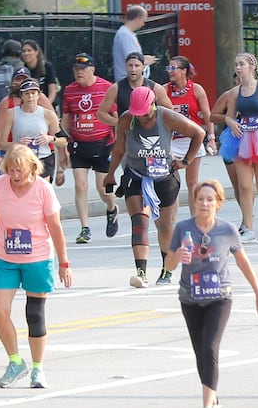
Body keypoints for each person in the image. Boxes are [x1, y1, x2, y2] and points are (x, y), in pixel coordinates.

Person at [165, 180, 258, 408]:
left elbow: (243, 262)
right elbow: (168, 265)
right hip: (190, 298)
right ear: (194, 202)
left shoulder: (227, 230)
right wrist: (178, 255)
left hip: (219, 297)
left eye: (210, 200)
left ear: (218, 204)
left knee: (211, 347)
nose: (204, 203)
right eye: (200, 199)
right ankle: (215, 399)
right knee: (201, 352)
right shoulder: (183, 229)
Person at [0, 145, 70, 390]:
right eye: (11, 170)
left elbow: (55, 227)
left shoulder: (43, 189)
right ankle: (14, 361)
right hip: (6, 258)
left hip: (37, 257)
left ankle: (38, 368)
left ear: (32, 168)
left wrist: (64, 263)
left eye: (19, 170)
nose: (15, 175)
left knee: (34, 315)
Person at [106, 85, 207, 287]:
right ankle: (141, 272)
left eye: (145, 113)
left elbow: (198, 133)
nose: (142, 118)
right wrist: (110, 174)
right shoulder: (126, 120)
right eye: (138, 114)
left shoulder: (167, 117)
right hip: (136, 175)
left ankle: (166, 269)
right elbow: (118, 150)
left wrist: (186, 161)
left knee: (164, 224)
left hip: (164, 177)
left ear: (153, 104)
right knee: (139, 221)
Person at [207, 53, 258, 241]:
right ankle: (248, 228)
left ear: (252, 66)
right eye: (236, 65)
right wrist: (230, 121)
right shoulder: (235, 93)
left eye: (241, 64)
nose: (238, 68)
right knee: (244, 186)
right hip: (242, 138)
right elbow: (231, 116)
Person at [59, 53, 118, 244]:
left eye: (83, 69)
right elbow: (66, 119)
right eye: (76, 69)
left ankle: (111, 208)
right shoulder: (69, 91)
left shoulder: (106, 87)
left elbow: (115, 115)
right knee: (80, 184)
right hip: (79, 144)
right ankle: (85, 228)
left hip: (103, 144)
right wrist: (64, 145)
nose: (79, 73)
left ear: (92, 69)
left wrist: (118, 144)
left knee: (104, 189)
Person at [163, 56, 215, 221]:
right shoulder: (164, 90)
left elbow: (207, 115)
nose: (170, 72)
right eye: (168, 68)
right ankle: (173, 220)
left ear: (184, 71)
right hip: (172, 141)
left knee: (192, 182)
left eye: (173, 68)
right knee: (171, 183)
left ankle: (195, 220)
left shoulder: (196, 89)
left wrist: (211, 138)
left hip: (193, 140)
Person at [112, 5, 158, 82]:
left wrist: (144, 58)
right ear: (138, 18)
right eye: (143, 21)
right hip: (129, 82)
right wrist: (146, 61)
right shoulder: (125, 35)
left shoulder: (127, 34)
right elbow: (132, 60)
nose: (143, 24)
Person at [18, 41, 60, 110]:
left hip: (47, 107)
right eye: (24, 51)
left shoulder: (47, 67)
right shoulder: (22, 70)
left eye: (29, 50)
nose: (26, 53)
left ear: (36, 52)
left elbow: (52, 91)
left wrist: (46, 107)